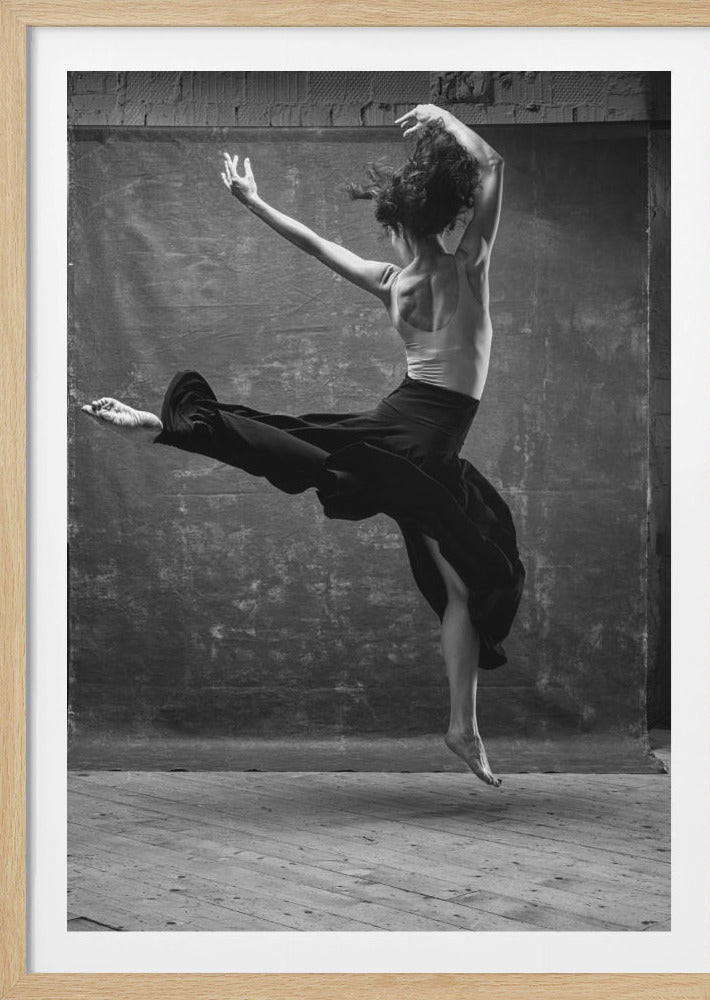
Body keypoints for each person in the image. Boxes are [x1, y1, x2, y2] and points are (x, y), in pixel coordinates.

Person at [83, 103, 525, 787]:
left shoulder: (392, 283)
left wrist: (254, 201)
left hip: (399, 433)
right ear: (442, 221)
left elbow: (315, 246)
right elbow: (491, 165)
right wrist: (442, 119)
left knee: (302, 446)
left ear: (397, 228)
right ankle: (461, 726)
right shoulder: (470, 269)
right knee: (470, 584)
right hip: (431, 447)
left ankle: (165, 429)